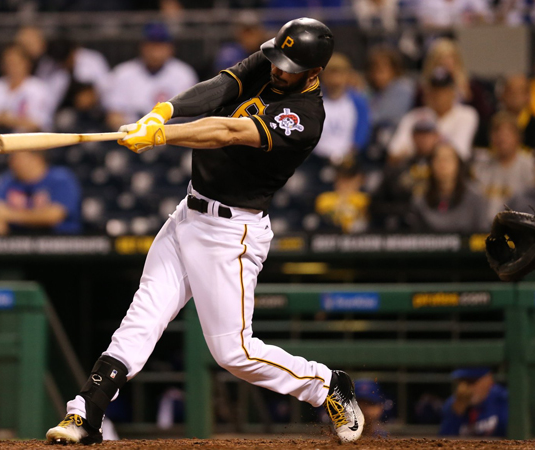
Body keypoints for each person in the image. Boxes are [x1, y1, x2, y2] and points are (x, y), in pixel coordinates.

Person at [45, 18, 363, 446]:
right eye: (279, 59)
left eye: (289, 66)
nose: (278, 69)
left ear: (313, 72)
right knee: (143, 317)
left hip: (231, 233)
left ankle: (326, 385)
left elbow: (226, 131)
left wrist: (161, 136)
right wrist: (161, 112)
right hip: (188, 214)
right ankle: (86, 412)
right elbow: (220, 86)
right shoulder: (271, 63)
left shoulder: (305, 117)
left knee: (235, 354)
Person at [102, 23, 198, 130]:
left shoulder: (183, 74)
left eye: (161, 45)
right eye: (152, 45)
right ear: (142, 47)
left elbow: (191, 116)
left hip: (172, 138)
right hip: (132, 138)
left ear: (171, 48)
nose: (156, 52)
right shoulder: (123, 73)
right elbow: (113, 116)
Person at [389, 67, 479, 161]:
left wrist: (419, 148)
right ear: (427, 93)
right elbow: (393, 155)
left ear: (453, 92)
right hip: (416, 170)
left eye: (443, 91)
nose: (438, 96)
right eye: (434, 91)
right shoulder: (414, 116)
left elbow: (460, 154)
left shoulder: (467, 115)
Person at [420, 38, 495, 147]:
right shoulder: (423, 90)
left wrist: (469, 96)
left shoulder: (472, 88)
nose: (445, 62)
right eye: (440, 58)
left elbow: (485, 119)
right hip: (431, 135)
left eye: (449, 58)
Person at [0, 151, 81, 235]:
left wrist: (10, 215)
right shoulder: (7, 180)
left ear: (37, 159)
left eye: (18, 158)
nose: (12, 162)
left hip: (60, 242)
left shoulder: (61, 178)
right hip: (19, 243)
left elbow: (53, 216)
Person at [370, 119, 439, 230]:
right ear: (413, 137)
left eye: (428, 135)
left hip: (441, 226)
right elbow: (376, 203)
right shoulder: (398, 167)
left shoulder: (445, 167)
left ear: (436, 137)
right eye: (420, 135)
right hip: (403, 227)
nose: (424, 139)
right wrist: (404, 210)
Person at [407, 141, 488, 233]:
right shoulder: (420, 200)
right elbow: (415, 238)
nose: (442, 164)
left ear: (458, 164)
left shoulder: (476, 198)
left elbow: (483, 236)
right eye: (438, 159)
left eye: (447, 159)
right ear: (431, 165)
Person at [0, 44, 55, 133]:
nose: (12, 67)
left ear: (27, 64)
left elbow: (40, 123)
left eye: (15, 63)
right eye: (8, 63)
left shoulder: (38, 89)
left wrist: (10, 120)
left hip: (26, 140)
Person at [473, 112, 535, 221]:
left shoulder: (530, 166)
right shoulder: (480, 166)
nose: (501, 139)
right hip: (483, 229)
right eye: (497, 133)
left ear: (518, 137)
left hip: (518, 227)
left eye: (507, 134)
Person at [313, 54, 370, 164]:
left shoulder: (358, 102)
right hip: (317, 159)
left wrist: (352, 151)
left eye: (339, 73)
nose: (335, 79)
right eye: (331, 73)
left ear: (347, 75)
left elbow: (363, 129)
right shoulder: (313, 101)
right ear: (323, 76)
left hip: (349, 157)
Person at [366, 45, 415, 153]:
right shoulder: (373, 92)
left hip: (397, 143)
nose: (377, 75)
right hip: (376, 145)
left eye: (382, 70)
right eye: (374, 70)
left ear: (394, 69)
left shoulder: (403, 88)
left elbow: (380, 117)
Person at [439, 368, 507, 437]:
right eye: (461, 382)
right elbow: (443, 441)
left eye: (471, 381)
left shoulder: (503, 399)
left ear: (488, 380)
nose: (464, 388)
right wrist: (456, 414)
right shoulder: (452, 405)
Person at [314, 158, 370, 233]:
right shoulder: (324, 198)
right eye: (342, 177)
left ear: (359, 179)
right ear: (336, 179)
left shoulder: (365, 199)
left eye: (350, 178)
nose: (346, 182)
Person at [497, 74, 535, 149]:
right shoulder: (492, 124)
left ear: (528, 96)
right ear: (502, 95)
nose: (515, 96)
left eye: (520, 91)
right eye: (510, 91)